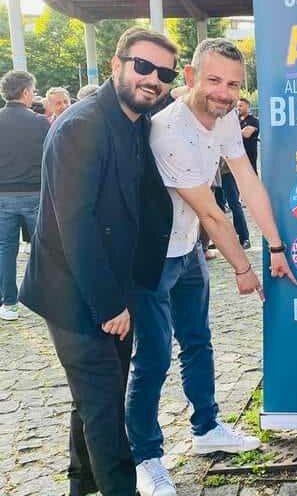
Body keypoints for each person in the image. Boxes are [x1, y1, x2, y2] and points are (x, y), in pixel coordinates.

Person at [127, 38, 297, 496]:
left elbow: (248, 181)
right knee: (153, 357)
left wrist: (276, 246)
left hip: (188, 252)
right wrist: (243, 269)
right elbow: (212, 213)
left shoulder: (223, 119)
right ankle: (145, 457)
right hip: (152, 257)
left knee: (198, 342)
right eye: (214, 80)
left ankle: (206, 428)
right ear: (190, 77)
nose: (224, 92)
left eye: (234, 84)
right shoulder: (168, 130)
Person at [19, 27, 179, 496]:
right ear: (117, 64)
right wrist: (110, 305)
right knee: (106, 408)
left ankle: (80, 485)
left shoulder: (135, 121)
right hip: (74, 294)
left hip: (113, 286)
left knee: (94, 398)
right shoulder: (82, 125)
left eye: (164, 73)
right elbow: (76, 226)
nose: (153, 78)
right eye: (143, 66)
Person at [0, 70, 48, 321]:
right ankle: (46, 301)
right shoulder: (40, 122)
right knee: (43, 249)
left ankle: (9, 303)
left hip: (3, 195)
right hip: (34, 193)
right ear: (26, 92)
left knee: (5, 250)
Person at [238, 97, 259, 173]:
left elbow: (246, 134)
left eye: (240, 106)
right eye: (237, 106)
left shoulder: (253, 120)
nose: (238, 108)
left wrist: (234, 132)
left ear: (247, 106)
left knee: (252, 176)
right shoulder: (236, 120)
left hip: (249, 157)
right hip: (238, 156)